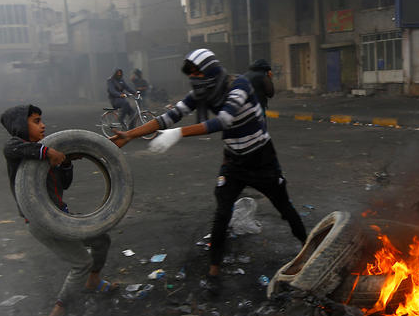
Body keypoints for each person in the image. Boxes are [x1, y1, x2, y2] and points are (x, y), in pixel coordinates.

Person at [110, 49, 307, 294]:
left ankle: (308, 247)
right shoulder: (201, 92)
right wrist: (130, 134)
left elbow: (223, 121)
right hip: (234, 162)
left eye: (197, 73)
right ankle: (214, 271)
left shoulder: (239, 86)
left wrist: (179, 133)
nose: (194, 79)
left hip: (261, 159)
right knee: (222, 213)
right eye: (191, 74)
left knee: (284, 206)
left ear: (211, 72)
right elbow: (169, 116)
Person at [0, 104, 117, 316]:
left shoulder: (46, 151)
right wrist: (49, 152)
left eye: (41, 120)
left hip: (61, 215)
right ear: (19, 125)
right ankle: (60, 308)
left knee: (101, 238)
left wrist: (65, 163)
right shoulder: (17, 149)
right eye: (36, 121)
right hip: (40, 221)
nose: (43, 125)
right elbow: (14, 148)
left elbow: (65, 184)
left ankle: (93, 281)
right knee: (81, 262)